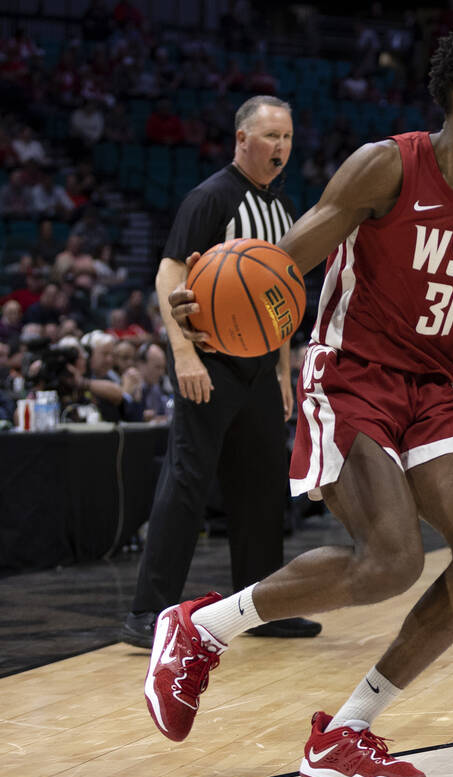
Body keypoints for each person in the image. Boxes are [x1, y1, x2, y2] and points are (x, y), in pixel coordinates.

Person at [148, 25, 453, 777]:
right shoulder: (386, 165)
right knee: (391, 562)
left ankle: (345, 732)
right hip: (353, 377)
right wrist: (204, 300)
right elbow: (284, 261)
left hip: (438, 393)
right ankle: (200, 628)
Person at [120, 95, 320, 649]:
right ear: (242, 140)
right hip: (209, 361)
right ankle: (148, 612)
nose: (280, 146)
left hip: (259, 368)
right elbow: (167, 275)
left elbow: (280, 302)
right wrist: (183, 355)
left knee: (261, 490)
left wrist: (283, 371)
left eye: (287, 136)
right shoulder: (211, 197)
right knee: (186, 481)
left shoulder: (280, 209)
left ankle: (260, 610)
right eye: (270, 136)